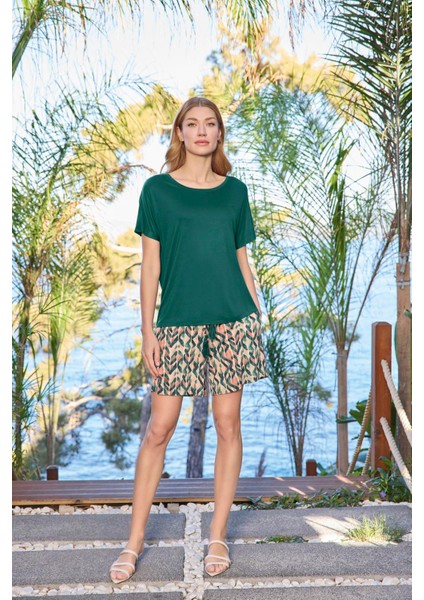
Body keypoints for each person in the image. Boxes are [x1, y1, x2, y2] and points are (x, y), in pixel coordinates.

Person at [110, 96, 268, 583]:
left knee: (227, 424)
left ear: (219, 134)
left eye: (210, 124)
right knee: (160, 427)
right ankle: (134, 540)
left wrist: (256, 317)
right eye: (192, 124)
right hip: (175, 325)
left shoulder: (235, 192)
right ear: (179, 132)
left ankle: (217, 535)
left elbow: (241, 260)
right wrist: (148, 330)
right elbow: (150, 267)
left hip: (232, 322)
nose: (202, 131)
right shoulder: (157, 191)